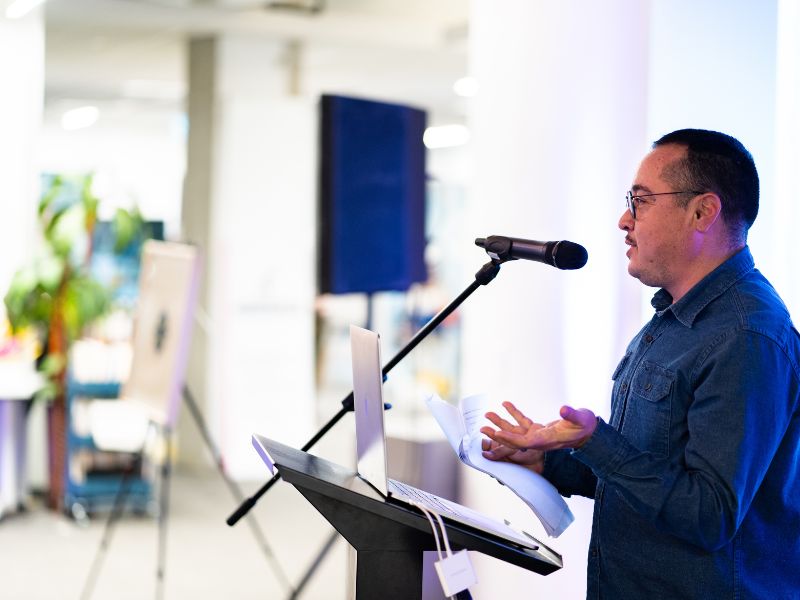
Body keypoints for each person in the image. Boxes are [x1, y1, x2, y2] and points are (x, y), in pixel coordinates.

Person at [480, 129, 800, 599]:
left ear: (702, 211)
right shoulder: (675, 316)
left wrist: (597, 441)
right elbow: (653, 472)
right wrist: (552, 463)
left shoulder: (746, 337)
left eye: (641, 200)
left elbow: (708, 515)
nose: (623, 219)